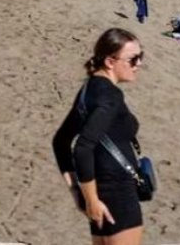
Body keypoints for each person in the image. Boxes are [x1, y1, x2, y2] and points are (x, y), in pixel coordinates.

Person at [51, 28, 148, 245]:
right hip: (117, 194)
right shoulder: (110, 96)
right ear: (110, 62)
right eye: (133, 59)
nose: (139, 64)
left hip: (101, 190)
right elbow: (82, 147)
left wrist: (79, 192)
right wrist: (90, 199)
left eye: (141, 56)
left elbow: (61, 141)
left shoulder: (89, 89)